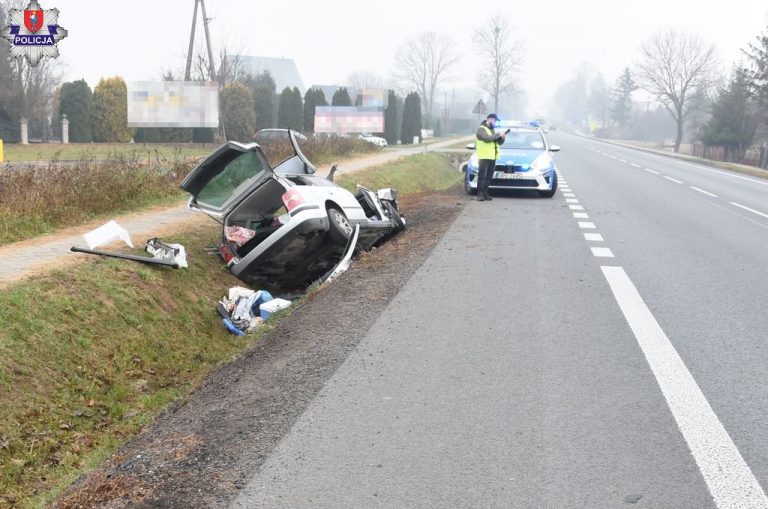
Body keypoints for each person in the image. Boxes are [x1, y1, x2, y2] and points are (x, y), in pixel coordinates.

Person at [474, 113, 506, 201]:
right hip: (483, 157)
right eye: (495, 121)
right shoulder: (481, 129)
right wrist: (498, 134)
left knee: (488, 177)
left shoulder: (492, 130)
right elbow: (487, 139)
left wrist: (502, 137)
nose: (495, 123)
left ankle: (485, 193)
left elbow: (498, 143)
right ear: (489, 119)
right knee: (482, 176)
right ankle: (479, 194)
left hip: (492, 157)